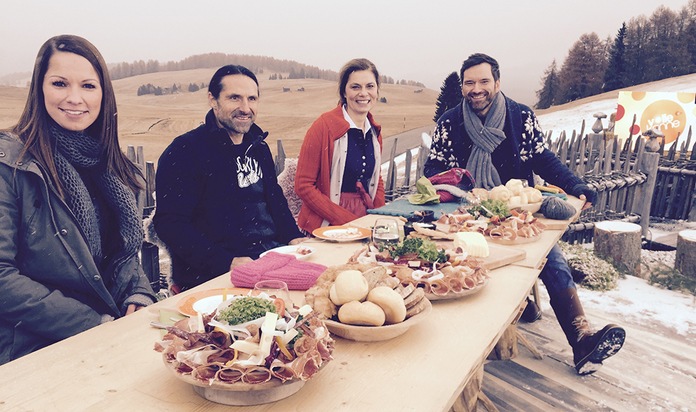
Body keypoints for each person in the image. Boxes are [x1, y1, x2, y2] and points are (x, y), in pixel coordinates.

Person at [424, 53, 625, 375]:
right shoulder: (450, 122)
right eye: (470, 83)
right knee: (464, 261)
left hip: (518, 215)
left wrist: (575, 185)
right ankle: (518, 306)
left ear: (497, 82)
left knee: (550, 257)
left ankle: (581, 338)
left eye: (484, 81)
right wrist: (463, 185)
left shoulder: (520, 116)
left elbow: (542, 158)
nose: (477, 89)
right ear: (462, 87)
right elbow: (433, 169)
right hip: (467, 215)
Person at [0, 35, 156, 365]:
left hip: (109, 333)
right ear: (39, 89)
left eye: (88, 86)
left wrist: (138, 294)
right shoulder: (11, 166)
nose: (75, 98)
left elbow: (123, 254)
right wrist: (92, 324)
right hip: (33, 350)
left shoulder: (112, 167)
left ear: (104, 94)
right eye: (60, 83)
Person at [153, 65, 305, 292]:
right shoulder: (186, 151)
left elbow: (275, 201)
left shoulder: (258, 147)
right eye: (234, 98)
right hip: (216, 277)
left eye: (252, 99)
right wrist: (226, 262)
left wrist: (293, 237)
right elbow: (170, 224)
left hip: (272, 260)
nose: (245, 108)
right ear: (212, 100)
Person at [295, 58, 386, 233]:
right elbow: (303, 185)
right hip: (327, 222)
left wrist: (379, 217)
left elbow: (376, 179)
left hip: (364, 219)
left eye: (370, 86)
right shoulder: (323, 126)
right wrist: (346, 222)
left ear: (377, 90)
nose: (363, 93)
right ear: (344, 91)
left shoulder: (375, 132)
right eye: (355, 87)